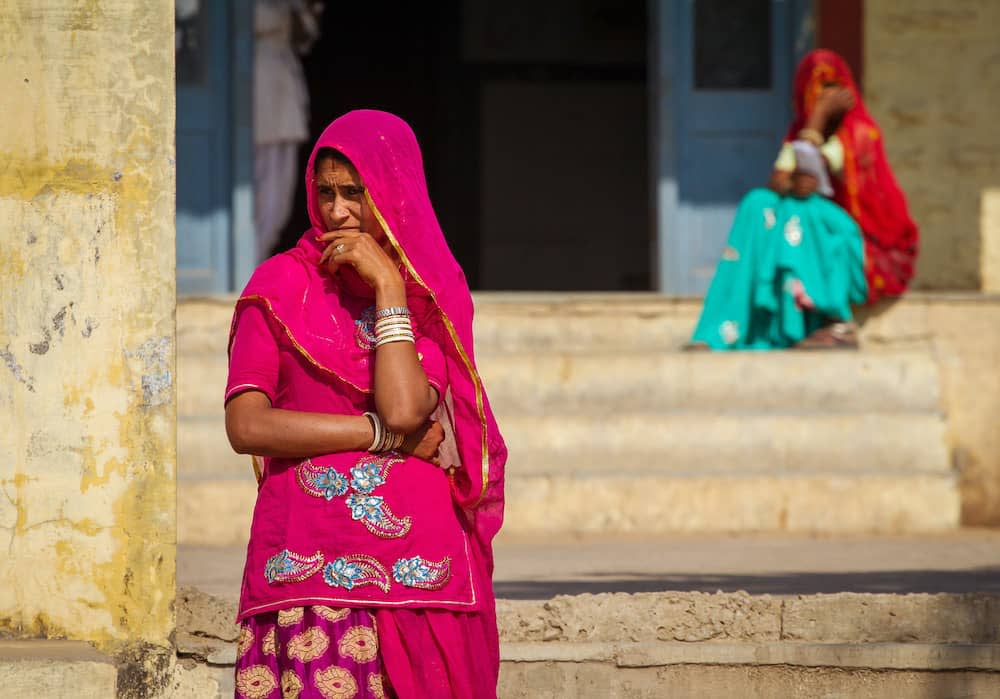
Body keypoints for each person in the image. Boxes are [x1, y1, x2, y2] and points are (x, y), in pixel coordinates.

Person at [225, 110, 507, 698]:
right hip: (307, 557)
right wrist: (376, 436)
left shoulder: (427, 294)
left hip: (418, 568)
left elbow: (406, 410)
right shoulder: (279, 286)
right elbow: (247, 425)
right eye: (325, 192)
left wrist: (387, 287)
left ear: (393, 194)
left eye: (355, 193)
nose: (337, 212)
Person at [690, 49, 919, 350]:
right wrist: (810, 129)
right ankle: (722, 329)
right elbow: (780, 181)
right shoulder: (801, 132)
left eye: (829, 88)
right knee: (756, 203)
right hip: (808, 232)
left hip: (857, 242)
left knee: (803, 211)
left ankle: (839, 323)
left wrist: (818, 120)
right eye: (815, 90)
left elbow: (810, 176)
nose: (822, 96)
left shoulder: (860, 134)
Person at [253, 0, 322, 262]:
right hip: (257, 95)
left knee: (279, 194)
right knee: (258, 191)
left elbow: (304, 37)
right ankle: (249, 261)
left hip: (284, 94)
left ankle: (257, 258)